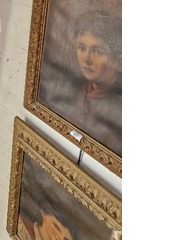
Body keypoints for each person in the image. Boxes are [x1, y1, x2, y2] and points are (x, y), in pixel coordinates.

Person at [42, 10, 122, 156]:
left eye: (97, 51)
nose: (87, 59)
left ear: (119, 61)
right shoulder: (71, 89)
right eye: (81, 48)